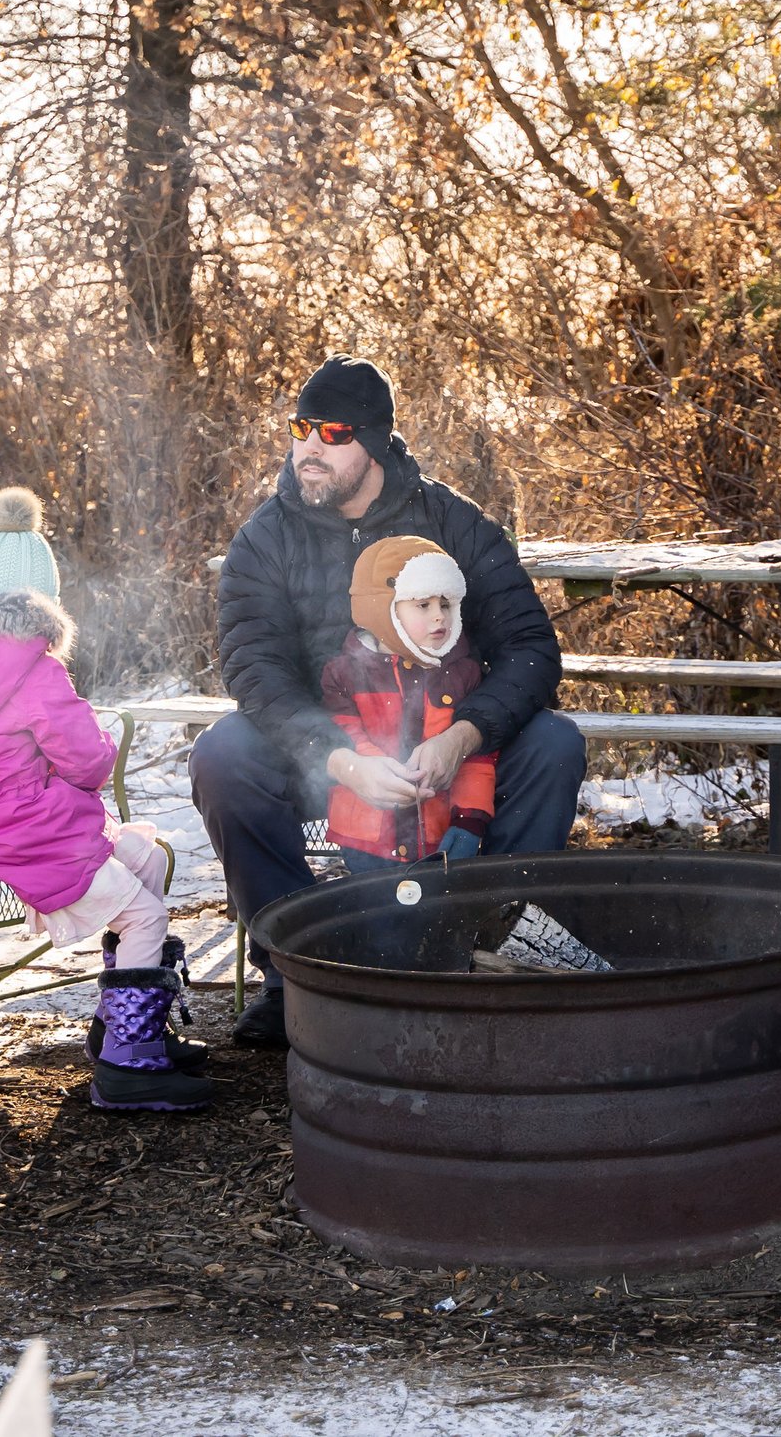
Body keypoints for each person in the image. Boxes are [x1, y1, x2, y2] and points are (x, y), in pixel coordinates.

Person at [192, 355, 584, 1046]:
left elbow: (531, 649)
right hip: (324, 754)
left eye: (333, 432)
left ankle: (490, 950)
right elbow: (254, 671)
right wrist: (340, 758)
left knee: (554, 743)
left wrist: (463, 735)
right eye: (301, 428)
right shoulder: (265, 538)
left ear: (372, 442)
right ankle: (296, 972)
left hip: (444, 741)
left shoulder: (453, 522)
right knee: (223, 756)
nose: (310, 447)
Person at [0, 490, 211, 1113]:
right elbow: (88, 762)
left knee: (147, 858)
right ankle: (129, 1067)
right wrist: (83, 755)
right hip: (30, 834)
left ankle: (124, 1026)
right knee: (145, 917)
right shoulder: (32, 665)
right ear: (39, 599)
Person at [321, 536, 499, 869]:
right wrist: (377, 770)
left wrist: (469, 819)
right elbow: (343, 735)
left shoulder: (463, 672)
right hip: (368, 836)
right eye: (423, 605)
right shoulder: (345, 673)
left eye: (445, 604)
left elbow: (475, 758)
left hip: (438, 835)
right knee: (379, 901)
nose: (439, 617)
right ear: (383, 608)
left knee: (439, 900)